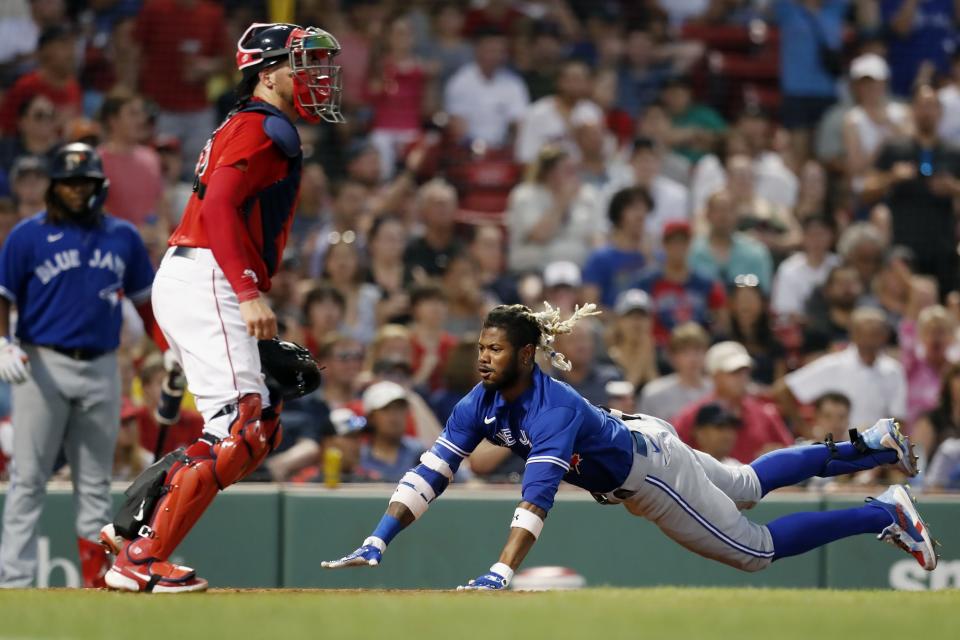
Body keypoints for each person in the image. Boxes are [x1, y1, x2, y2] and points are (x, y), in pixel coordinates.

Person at [321, 303, 936, 589]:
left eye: (496, 348)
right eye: (480, 346)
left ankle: (883, 512)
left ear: (527, 355)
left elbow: (535, 502)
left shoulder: (550, 403)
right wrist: (379, 537)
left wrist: (501, 570)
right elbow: (430, 472)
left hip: (647, 472)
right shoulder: (475, 402)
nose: (483, 357)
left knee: (754, 551)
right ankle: (874, 445)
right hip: (643, 436)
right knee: (747, 484)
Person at [97, 23, 345, 593]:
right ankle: (141, 556)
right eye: (301, 62)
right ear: (267, 72)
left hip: (199, 274)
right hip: (211, 272)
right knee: (241, 424)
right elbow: (220, 211)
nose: (314, 75)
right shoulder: (264, 125)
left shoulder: (252, 126)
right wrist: (248, 289)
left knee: (259, 427)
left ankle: (133, 523)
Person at [0, 143, 163, 589]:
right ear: (54, 186)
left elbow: (145, 304)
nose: (77, 190)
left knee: (94, 485)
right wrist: (2, 342)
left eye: (85, 182)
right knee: (27, 480)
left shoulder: (123, 236)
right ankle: (12, 583)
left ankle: (96, 581)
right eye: (70, 182)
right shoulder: (26, 236)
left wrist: (167, 348)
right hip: (42, 365)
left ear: (100, 186)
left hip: (101, 366)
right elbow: (3, 294)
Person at [776, 307, 907, 431]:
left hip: (877, 447)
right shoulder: (832, 365)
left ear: (885, 335)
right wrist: (807, 431)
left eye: (876, 332)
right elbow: (783, 390)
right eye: (867, 332)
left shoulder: (893, 370)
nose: (871, 338)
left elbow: (899, 417)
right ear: (854, 334)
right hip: (838, 447)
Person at [581, 186, 651, 309]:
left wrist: (650, 258)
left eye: (644, 210)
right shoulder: (600, 258)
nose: (641, 215)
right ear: (618, 214)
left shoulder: (653, 256)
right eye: (634, 209)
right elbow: (589, 305)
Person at [638, 322, 712, 420]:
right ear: (672, 357)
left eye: (697, 350)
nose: (693, 358)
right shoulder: (653, 393)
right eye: (685, 352)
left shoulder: (717, 389)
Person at [356, 381, 426, 483]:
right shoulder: (359, 457)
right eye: (386, 409)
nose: (395, 416)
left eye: (400, 408)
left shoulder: (421, 453)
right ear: (371, 417)